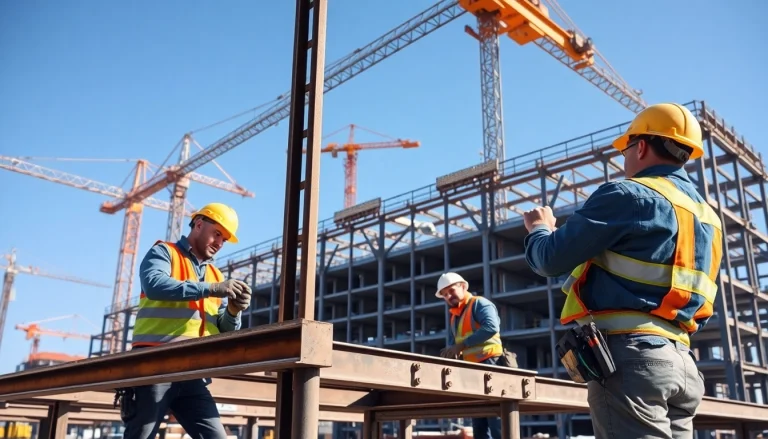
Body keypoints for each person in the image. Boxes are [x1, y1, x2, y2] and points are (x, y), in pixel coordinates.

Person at [523, 103, 722, 438]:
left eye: (625, 149)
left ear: (640, 146)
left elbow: (548, 260)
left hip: (632, 362)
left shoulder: (629, 195)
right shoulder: (709, 220)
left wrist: (539, 229)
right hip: (683, 363)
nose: (624, 158)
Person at [120, 202, 253, 439]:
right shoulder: (164, 252)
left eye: (224, 239)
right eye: (217, 234)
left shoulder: (215, 275)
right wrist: (210, 289)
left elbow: (222, 330)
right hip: (154, 365)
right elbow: (154, 285)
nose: (219, 243)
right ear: (199, 225)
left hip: (194, 372)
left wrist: (233, 312)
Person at [436, 272, 504, 439]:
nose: (448, 296)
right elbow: (453, 344)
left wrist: (462, 345)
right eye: (444, 294)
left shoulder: (479, 304)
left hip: (490, 364)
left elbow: (491, 327)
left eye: (451, 291)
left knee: (496, 420)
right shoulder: (455, 317)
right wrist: (449, 353)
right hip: (471, 370)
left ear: (463, 286)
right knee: (479, 423)